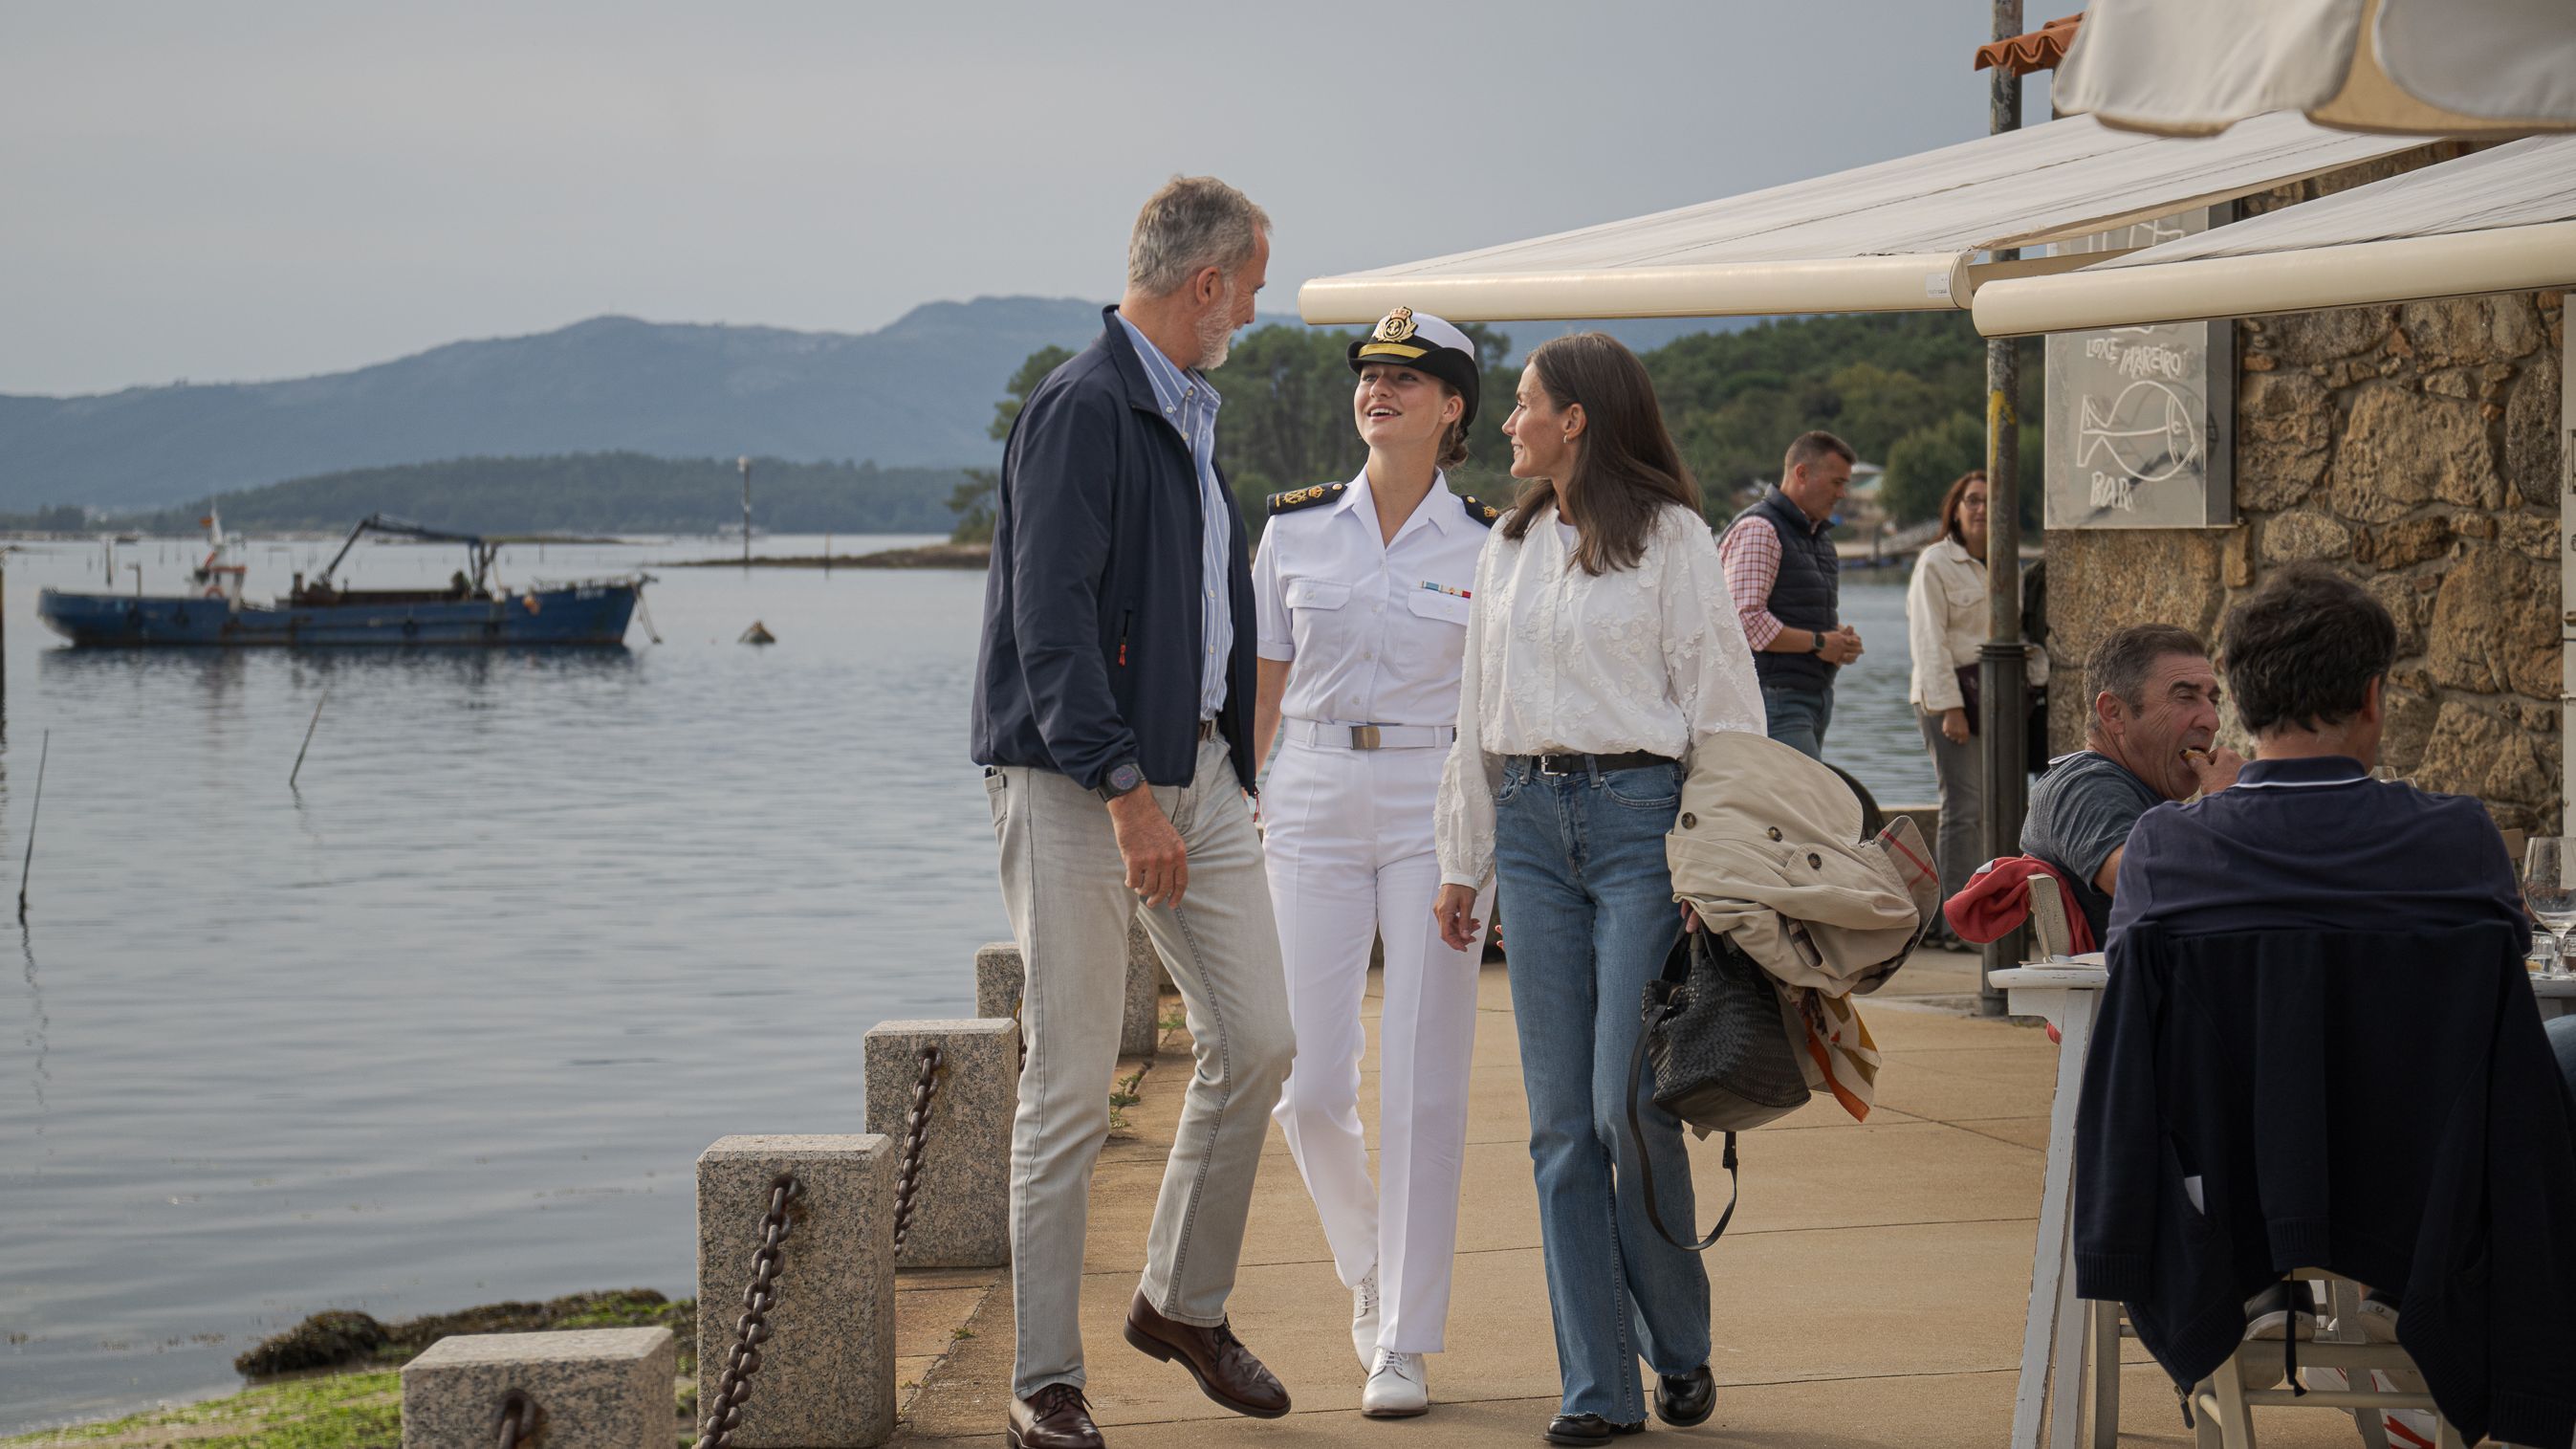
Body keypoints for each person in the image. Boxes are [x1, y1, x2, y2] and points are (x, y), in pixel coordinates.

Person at [2100, 565, 2576, 1438]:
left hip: (2235, 1215)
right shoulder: (2456, 840)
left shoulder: (2166, 852)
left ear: (2240, 700)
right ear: (2372, 697)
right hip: (2432, 1206)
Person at [970, 176, 1295, 1449]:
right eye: (1254, 285)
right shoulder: (1082, 407)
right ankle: (1043, 1380)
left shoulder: (1183, 411)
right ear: (1206, 281)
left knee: (1260, 1038)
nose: (1255, 310)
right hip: (1073, 779)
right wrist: (1122, 794)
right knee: (1065, 1083)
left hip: (1198, 773)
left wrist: (1220, 778)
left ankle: (1179, 1300)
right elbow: (1047, 628)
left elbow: (1202, 609)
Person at [1429, 333, 1764, 1446]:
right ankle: (1596, 1388)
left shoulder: (1674, 539)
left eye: (1524, 404)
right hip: (1526, 829)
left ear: (1577, 420)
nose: (1508, 421)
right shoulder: (1508, 545)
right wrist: (1460, 859)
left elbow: (1723, 713)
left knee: (1628, 1112)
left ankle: (1678, 1343)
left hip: (1637, 831)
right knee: (1559, 1130)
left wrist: (1714, 866)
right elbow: (1479, 711)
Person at [1250, 307, 1496, 1420]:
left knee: (1424, 1072)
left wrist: (1479, 841)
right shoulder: (1294, 531)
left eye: (1410, 375)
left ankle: (1402, 1337)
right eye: (1370, 373)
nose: (1380, 388)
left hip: (1432, 796)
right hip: (1305, 792)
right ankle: (1367, 1267)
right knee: (1301, 1082)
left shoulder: (1492, 544)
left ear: (1453, 407)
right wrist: (1243, 810)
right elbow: (1258, 702)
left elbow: (1491, 714)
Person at [2020, 624, 2242, 944]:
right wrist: (2228, 803)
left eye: (2212, 699)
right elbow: (2147, 885)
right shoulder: (2085, 786)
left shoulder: (2138, 789)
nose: (2212, 720)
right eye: (2185, 696)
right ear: (2114, 713)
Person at [1905, 471, 2047, 939]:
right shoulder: (1935, 564)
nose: (1981, 508)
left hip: (2000, 700)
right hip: (1950, 700)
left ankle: (1996, 916)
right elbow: (1929, 641)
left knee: (2005, 806)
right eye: (1972, 500)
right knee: (1964, 808)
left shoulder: (2008, 566)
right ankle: (1953, 923)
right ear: (1956, 509)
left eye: (1990, 500)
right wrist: (1951, 709)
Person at [1716, 429, 1863, 759]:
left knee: (1799, 805)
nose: (1842, 494)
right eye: (1836, 482)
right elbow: (1746, 622)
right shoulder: (1760, 529)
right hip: (1773, 697)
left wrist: (1837, 639)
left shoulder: (1818, 538)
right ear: (1802, 473)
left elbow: (1789, 614)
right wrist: (1822, 642)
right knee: (1799, 806)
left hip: (1808, 695)